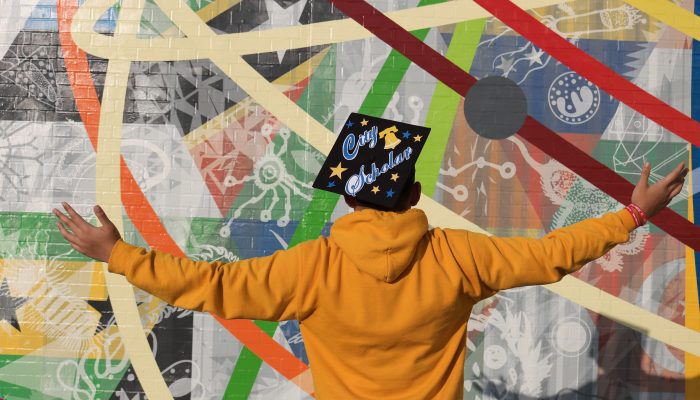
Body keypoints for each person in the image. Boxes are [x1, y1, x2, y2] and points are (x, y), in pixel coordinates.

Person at [54, 159, 686, 399]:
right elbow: (552, 254)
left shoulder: (309, 268)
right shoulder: (457, 256)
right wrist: (635, 213)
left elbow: (204, 286)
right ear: (413, 193)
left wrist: (117, 253)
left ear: (348, 201)